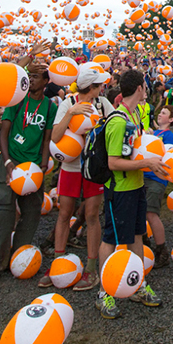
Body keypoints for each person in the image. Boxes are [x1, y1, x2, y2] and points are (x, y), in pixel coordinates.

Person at [96, 69, 166, 318]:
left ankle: (137, 284)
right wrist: (146, 163)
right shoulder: (117, 120)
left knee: (137, 236)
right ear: (139, 89)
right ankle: (105, 292)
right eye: (145, 86)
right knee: (112, 239)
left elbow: (133, 149)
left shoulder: (135, 113)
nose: (146, 89)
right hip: (120, 190)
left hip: (136, 186)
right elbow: (114, 162)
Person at [0, 63, 54, 284]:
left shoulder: (50, 107)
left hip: (32, 170)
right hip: (11, 165)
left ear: (46, 81)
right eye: (29, 76)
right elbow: (3, 133)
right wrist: (6, 162)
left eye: (35, 77)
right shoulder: (17, 100)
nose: (31, 80)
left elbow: (46, 138)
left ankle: (18, 256)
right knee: (3, 212)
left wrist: (43, 165)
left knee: (31, 213)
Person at [46, 63, 113, 291]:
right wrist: (71, 114)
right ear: (91, 87)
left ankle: (91, 268)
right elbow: (55, 136)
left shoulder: (103, 104)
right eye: (99, 85)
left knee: (92, 215)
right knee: (65, 212)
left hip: (93, 168)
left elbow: (113, 126)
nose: (102, 88)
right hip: (71, 166)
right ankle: (58, 263)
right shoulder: (68, 103)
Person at [144, 105, 173, 269]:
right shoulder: (155, 133)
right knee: (142, 212)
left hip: (156, 179)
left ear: (171, 120)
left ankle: (161, 250)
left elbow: (167, 158)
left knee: (151, 213)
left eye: (164, 113)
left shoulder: (169, 136)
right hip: (144, 176)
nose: (159, 114)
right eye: (160, 112)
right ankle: (145, 242)